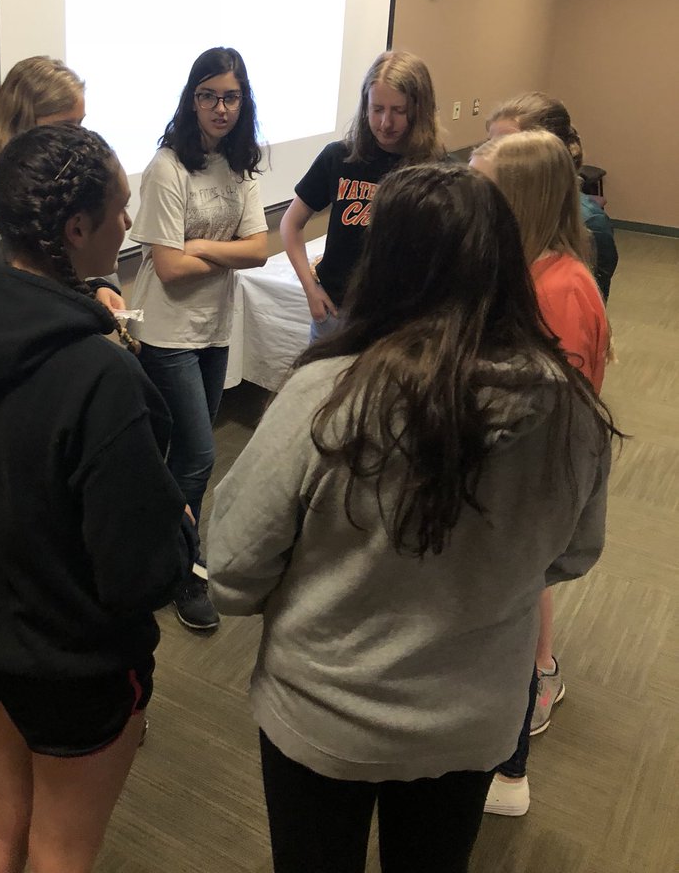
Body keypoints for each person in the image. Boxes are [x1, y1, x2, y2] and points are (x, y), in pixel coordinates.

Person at [208, 163, 616, 873]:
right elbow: (575, 551)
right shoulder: (567, 404)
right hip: (472, 720)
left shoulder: (323, 396)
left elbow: (234, 572)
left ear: (384, 265)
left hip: (325, 714)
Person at [0, 123, 196, 873]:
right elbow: (140, 577)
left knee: (1, 820)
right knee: (61, 847)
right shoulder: (102, 377)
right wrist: (175, 527)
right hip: (76, 662)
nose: (128, 222)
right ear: (75, 229)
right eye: (119, 209)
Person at [471, 129, 610, 816]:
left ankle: (509, 770)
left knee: (514, 622)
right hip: (517, 484)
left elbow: (551, 417)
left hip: (530, 488)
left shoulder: (558, 289)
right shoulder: (532, 268)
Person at [129, 46, 268, 632]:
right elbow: (167, 269)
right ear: (192, 99)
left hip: (214, 329)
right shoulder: (168, 166)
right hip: (165, 332)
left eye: (230, 96)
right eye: (208, 95)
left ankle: (154, 548)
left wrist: (203, 247)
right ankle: (182, 563)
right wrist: (223, 252)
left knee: (183, 454)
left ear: (243, 101)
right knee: (200, 454)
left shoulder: (240, 164)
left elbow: (260, 250)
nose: (219, 107)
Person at [280, 50, 445, 342]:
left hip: (400, 325)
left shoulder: (437, 171)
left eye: (399, 110)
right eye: (377, 109)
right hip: (335, 315)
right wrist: (310, 288)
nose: (385, 123)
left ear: (419, 110)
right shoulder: (339, 157)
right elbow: (290, 224)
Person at [0, 55, 86, 263]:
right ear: (21, 123)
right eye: (65, 126)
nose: (78, 138)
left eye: (80, 124)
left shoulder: (68, 180)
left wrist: (102, 284)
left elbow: (95, 255)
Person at [486, 91, 618, 301]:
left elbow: (585, 310)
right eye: (490, 144)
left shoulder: (589, 223)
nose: (492, 157)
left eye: (509, 148)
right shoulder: (493, 206)